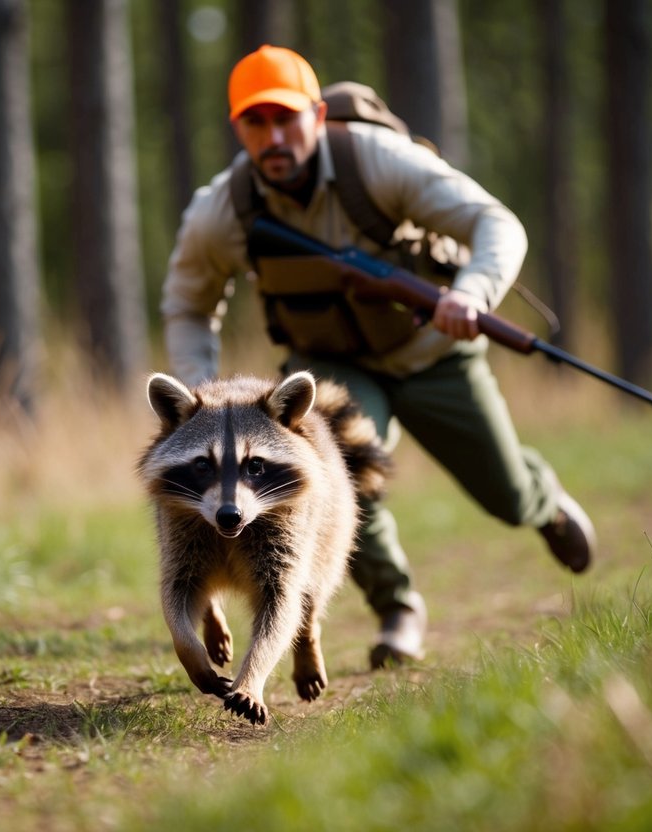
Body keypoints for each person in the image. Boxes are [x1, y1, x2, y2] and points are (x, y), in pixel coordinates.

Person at [159, 44, 596, 668]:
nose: (274, 136)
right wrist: (203, 399)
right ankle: (398, 608)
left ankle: (539, 497)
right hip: (331, 368)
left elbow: (496, 223)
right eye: (257, 122)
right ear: (239, 129)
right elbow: (186, 304)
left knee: (503, 492)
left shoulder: (379, 162)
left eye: (286, 118)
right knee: (337, 478)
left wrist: (471, 294)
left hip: (431, 353)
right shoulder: (223, 209)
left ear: (316, 115)